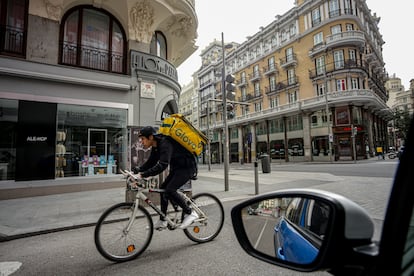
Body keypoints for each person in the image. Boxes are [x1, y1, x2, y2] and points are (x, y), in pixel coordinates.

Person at [132, 126, 198, 230]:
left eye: (143, 139)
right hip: (177, 168)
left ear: (150, 137)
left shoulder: (165, 143)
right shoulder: (156, 145)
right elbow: (151, 162)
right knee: (163, 189)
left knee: (170, 189)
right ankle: (163, 220)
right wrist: (138, 169)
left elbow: (162, 165)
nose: (141, 142)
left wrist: (143, 175)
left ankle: (190, 212)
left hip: (187, 168)